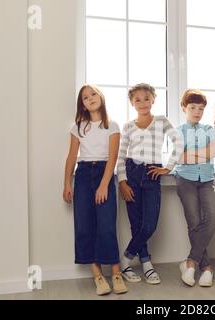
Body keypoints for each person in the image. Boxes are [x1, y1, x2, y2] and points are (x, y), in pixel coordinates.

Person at [63, 84, 128, 295]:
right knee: (84, 225)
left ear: (100, 96)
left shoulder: (113, 126)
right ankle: (98, 276)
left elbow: (113, 157)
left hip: (104, 173)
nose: (90, 98)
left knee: (107, 225)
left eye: (93, 94)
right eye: (84, 97)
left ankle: (116, 273)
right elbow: (72, 157)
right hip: (82, 176)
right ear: (81, 104)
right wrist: (66, 184)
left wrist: (103, 184)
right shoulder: (78, 127)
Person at [117, 83, 184, 285]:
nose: (142, 102)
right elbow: (121, 156)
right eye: (137, 99)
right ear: (131, 103)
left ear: (153, 100)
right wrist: (122, 182)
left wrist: (169, 167)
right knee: (136, 224)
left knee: (149, 224)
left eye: (146, 98)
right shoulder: (128, 126)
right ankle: (147, 263)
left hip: (152, 174)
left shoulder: (161, 121)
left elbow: (178, 142)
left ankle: (126, 259)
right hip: (131, 173)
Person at [174, 89, 215, 287]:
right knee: (193, 222)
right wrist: (204, 153)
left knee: (213, 218)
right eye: (193, 107)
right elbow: (179, 158)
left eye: (201, 108)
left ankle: (190, 262)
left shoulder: (209, 128)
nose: (197, 112)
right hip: (185, 180)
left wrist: (191, 153)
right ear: (184, 108)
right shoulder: (178, 131)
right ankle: (207, 267)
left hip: (207, 179)